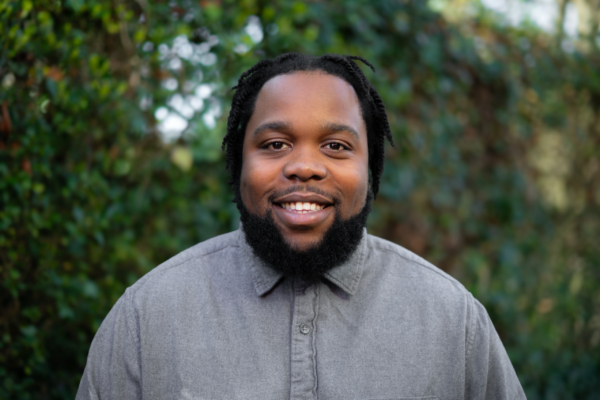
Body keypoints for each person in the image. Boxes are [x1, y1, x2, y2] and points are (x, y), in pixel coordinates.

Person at [76, 53, 526, 399]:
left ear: (371, 168)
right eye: (275, 144)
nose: (305, 166)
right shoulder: (147, 317)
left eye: (336, 145)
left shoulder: (453, 322)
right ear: (237, 165)